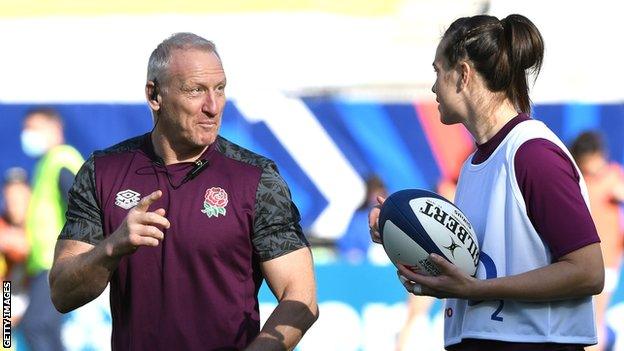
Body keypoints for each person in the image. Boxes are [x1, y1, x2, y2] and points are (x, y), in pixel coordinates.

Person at [49, 33, 318, 350]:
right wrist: (113, 247)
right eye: (196, 91)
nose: (213, 106)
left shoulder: (256, 178)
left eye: (220, 89)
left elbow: (301, 297)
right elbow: (62, 293)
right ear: (154, 95)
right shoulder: (102, 172)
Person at [369, 14, 604, 350]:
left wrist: (477, 290)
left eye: (438, 71)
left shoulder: (533, 153)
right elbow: (475, 265)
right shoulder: (474, 163)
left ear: (463, 74)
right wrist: (399, 228)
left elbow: (588, 272)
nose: (434, 86)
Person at [20, 108, 85, 351]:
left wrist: (75, 253)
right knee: (46, 328)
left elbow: (82, 206)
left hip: (55, 262)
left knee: (35, 325)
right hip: (41, 264)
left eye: (35, 128)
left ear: (55, 130)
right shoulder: (45, 163)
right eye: (26, 129)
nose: (28, 135)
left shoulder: (61, 160)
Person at [570, 131, 624, 351]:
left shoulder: (612, 176)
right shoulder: (576, 179)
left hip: (606, 261)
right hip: (578, 258)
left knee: (595, 318)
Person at [337, 175, 388, 262]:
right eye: (374, 194)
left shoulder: (393, 215)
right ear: (368, 195)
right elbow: (346, 243)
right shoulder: (359, 218)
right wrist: (354, 253)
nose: (377, 198)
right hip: (364, 266)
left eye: (381, 194)